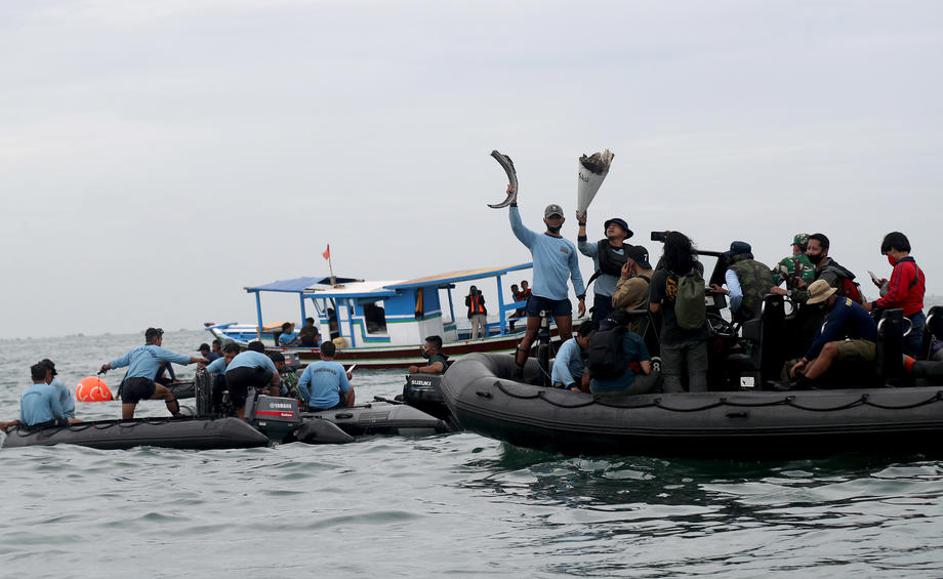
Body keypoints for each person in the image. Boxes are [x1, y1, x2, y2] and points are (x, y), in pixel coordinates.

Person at [505, 184, 586, 378]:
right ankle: (517, 374)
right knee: (530, 335)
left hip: (560, 299)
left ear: (563, 220)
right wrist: (513, 201)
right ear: (545, 220)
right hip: (539, 296)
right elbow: (517, 227)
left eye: (557, 217)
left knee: (567, 338)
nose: (554, 220)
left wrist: (581, 297)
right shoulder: (535, 239)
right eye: (551, 217)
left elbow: (575, 272)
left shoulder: (569, 246)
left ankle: (570, 376)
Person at [787, 279, 878, 389]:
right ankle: (801, 379)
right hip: (857, 341)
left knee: (829, 348)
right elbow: (820, 335)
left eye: (819, 302)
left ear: (828, 297)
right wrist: (806, 360)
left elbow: (826, 337)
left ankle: (804, 383)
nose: (818, 306)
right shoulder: (834, 307)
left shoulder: (842, 309)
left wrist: (805, 360)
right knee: (821, 352)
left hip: (869, 345)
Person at [99, 328, 206, 419]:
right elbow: (182, 359)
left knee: (126, 422)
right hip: (142, 383)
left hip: (126, 386)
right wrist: (199, 359)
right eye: (161, 340)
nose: (161, 342)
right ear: (156, 339)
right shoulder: (157, 350)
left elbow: (118, 362)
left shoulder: (134, 350)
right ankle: (178, 416)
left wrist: (106, 367)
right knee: (167, 393)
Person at [649, 232, 709, 392]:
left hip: (671, 334)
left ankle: (678, 410)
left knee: (671, 376)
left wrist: (664, 300)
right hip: (697, 331)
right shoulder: (697, 270)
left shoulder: (660, 276)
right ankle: (701, 409)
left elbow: (653, 308)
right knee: (697, 373)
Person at [864, 232, 926, 356]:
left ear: (892, 249)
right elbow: (908, 292)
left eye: (887, 254)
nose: (888, 258)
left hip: (906, 322)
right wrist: (886, 285)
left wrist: (873, 305)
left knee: (900, 360)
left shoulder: (901, 267)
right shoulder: (916, 268)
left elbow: (896, 296)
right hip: (918, 319)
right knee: (915, 358)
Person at [576, 211, 633, 325]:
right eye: (609, 226)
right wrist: (582, 225)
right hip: (602, 300)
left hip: (622, 300)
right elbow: (583, 247)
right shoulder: (599, 247)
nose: (611, 227)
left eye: (616, 226)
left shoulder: (631, 252)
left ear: (625, 233)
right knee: (600, 332)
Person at [774, 233, 863, 303]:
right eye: (808, 248)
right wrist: (806, 286)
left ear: (825, 251)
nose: (810, 252)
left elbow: (814, 296)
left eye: (814, 249)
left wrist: (786, 292)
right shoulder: (820, 269)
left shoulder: (830, 273)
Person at [587, 310, 655, 397]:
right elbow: (647, 370)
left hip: (595, 388)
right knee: (655, 375)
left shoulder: (597, 337)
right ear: (629, 324)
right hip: (623, 388)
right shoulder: (634, 338)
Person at [710, 241, 773, 323]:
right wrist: (724, 291)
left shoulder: (732, 270)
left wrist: (735, 311)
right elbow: (756, 292)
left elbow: (736, 295)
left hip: (748, 315)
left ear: (733, 255)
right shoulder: (765, 267)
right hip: (768, 312)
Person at [224, 340, 281, 417]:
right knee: (275, 378)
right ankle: (275, 407)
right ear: (263, 351)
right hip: (246, 371)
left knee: (240, 405)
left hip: (229, 374)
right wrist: (274, 387)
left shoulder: (241, 355)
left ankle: (243, 423)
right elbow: (276, 374)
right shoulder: (263, 356)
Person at [611, 245, 654, 335]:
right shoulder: (655, 275)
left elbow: (615, 301)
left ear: (631, 262)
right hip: (652, 330)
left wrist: (623, 278)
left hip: (636, 331)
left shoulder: (634, 283)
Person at [298, 341, 354, 410]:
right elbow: (346, 389)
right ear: (334, 354)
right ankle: (349, 413)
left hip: (314, 406)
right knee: (351, 389)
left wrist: (308, 399)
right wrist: (346, 378)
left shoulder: (311, 366)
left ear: (321, 354)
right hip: (333, 406)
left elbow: (301, 384)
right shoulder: (339, 366)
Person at [20, 363, 69, 429]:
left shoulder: (24, 393)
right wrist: (63, 420)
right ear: (45, 376)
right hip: (46, 425)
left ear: (32, 378)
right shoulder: (51, 389)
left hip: (30, 427)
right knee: (71, 421)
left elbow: (23, 419)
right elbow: (58, 413)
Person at [551, 321, 594, 391]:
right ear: (579, 335)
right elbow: (560, 364)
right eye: (588, 341)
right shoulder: (569, 345)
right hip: (563, 382)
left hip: (579, 378)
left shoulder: (588, 347)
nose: (590, 344)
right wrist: (571, 385)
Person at [37, 359, 79, 425]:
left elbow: (53, 406)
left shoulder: (56, 385)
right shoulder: (49, 385)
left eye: (43, 369)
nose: (40, 372)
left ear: (49, 370)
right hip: (59, 416)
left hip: (66, 416)